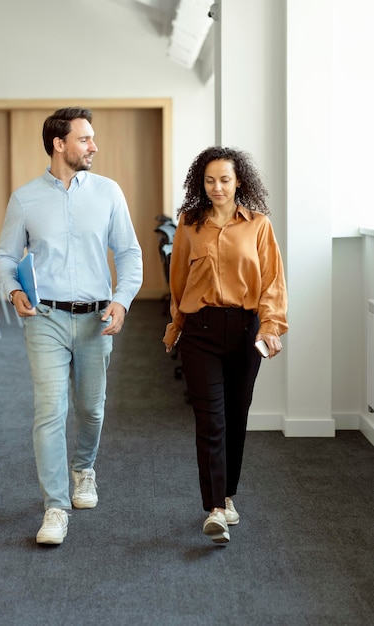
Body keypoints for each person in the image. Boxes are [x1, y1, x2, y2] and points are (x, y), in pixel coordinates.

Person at [0, 107, 143, 545]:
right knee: (49, 412)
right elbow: (5, 256)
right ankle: (55, 507)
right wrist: (11, 289)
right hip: (45, 319)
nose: (93, 147)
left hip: (98, 319)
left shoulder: (109, 192)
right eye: (85, 139)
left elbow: (130, 254)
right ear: (59, 144)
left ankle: (84, 470)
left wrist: (122, 301)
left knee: (91, 408)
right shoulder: (25, 198)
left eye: (92, 139)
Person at [163, 146, 288, 544]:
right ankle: (215, 507)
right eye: (209, 180)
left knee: (235, 417)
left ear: (239, 182)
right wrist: (175, 326)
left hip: (245, 332)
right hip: (199, 331)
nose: (217, 187)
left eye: (225, 180)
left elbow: (272, 283)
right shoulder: (189, 223)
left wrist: (271, 326)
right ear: (201, 183)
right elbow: (178, 282)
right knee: (210, 421)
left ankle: (228, 494)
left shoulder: (258, 225)